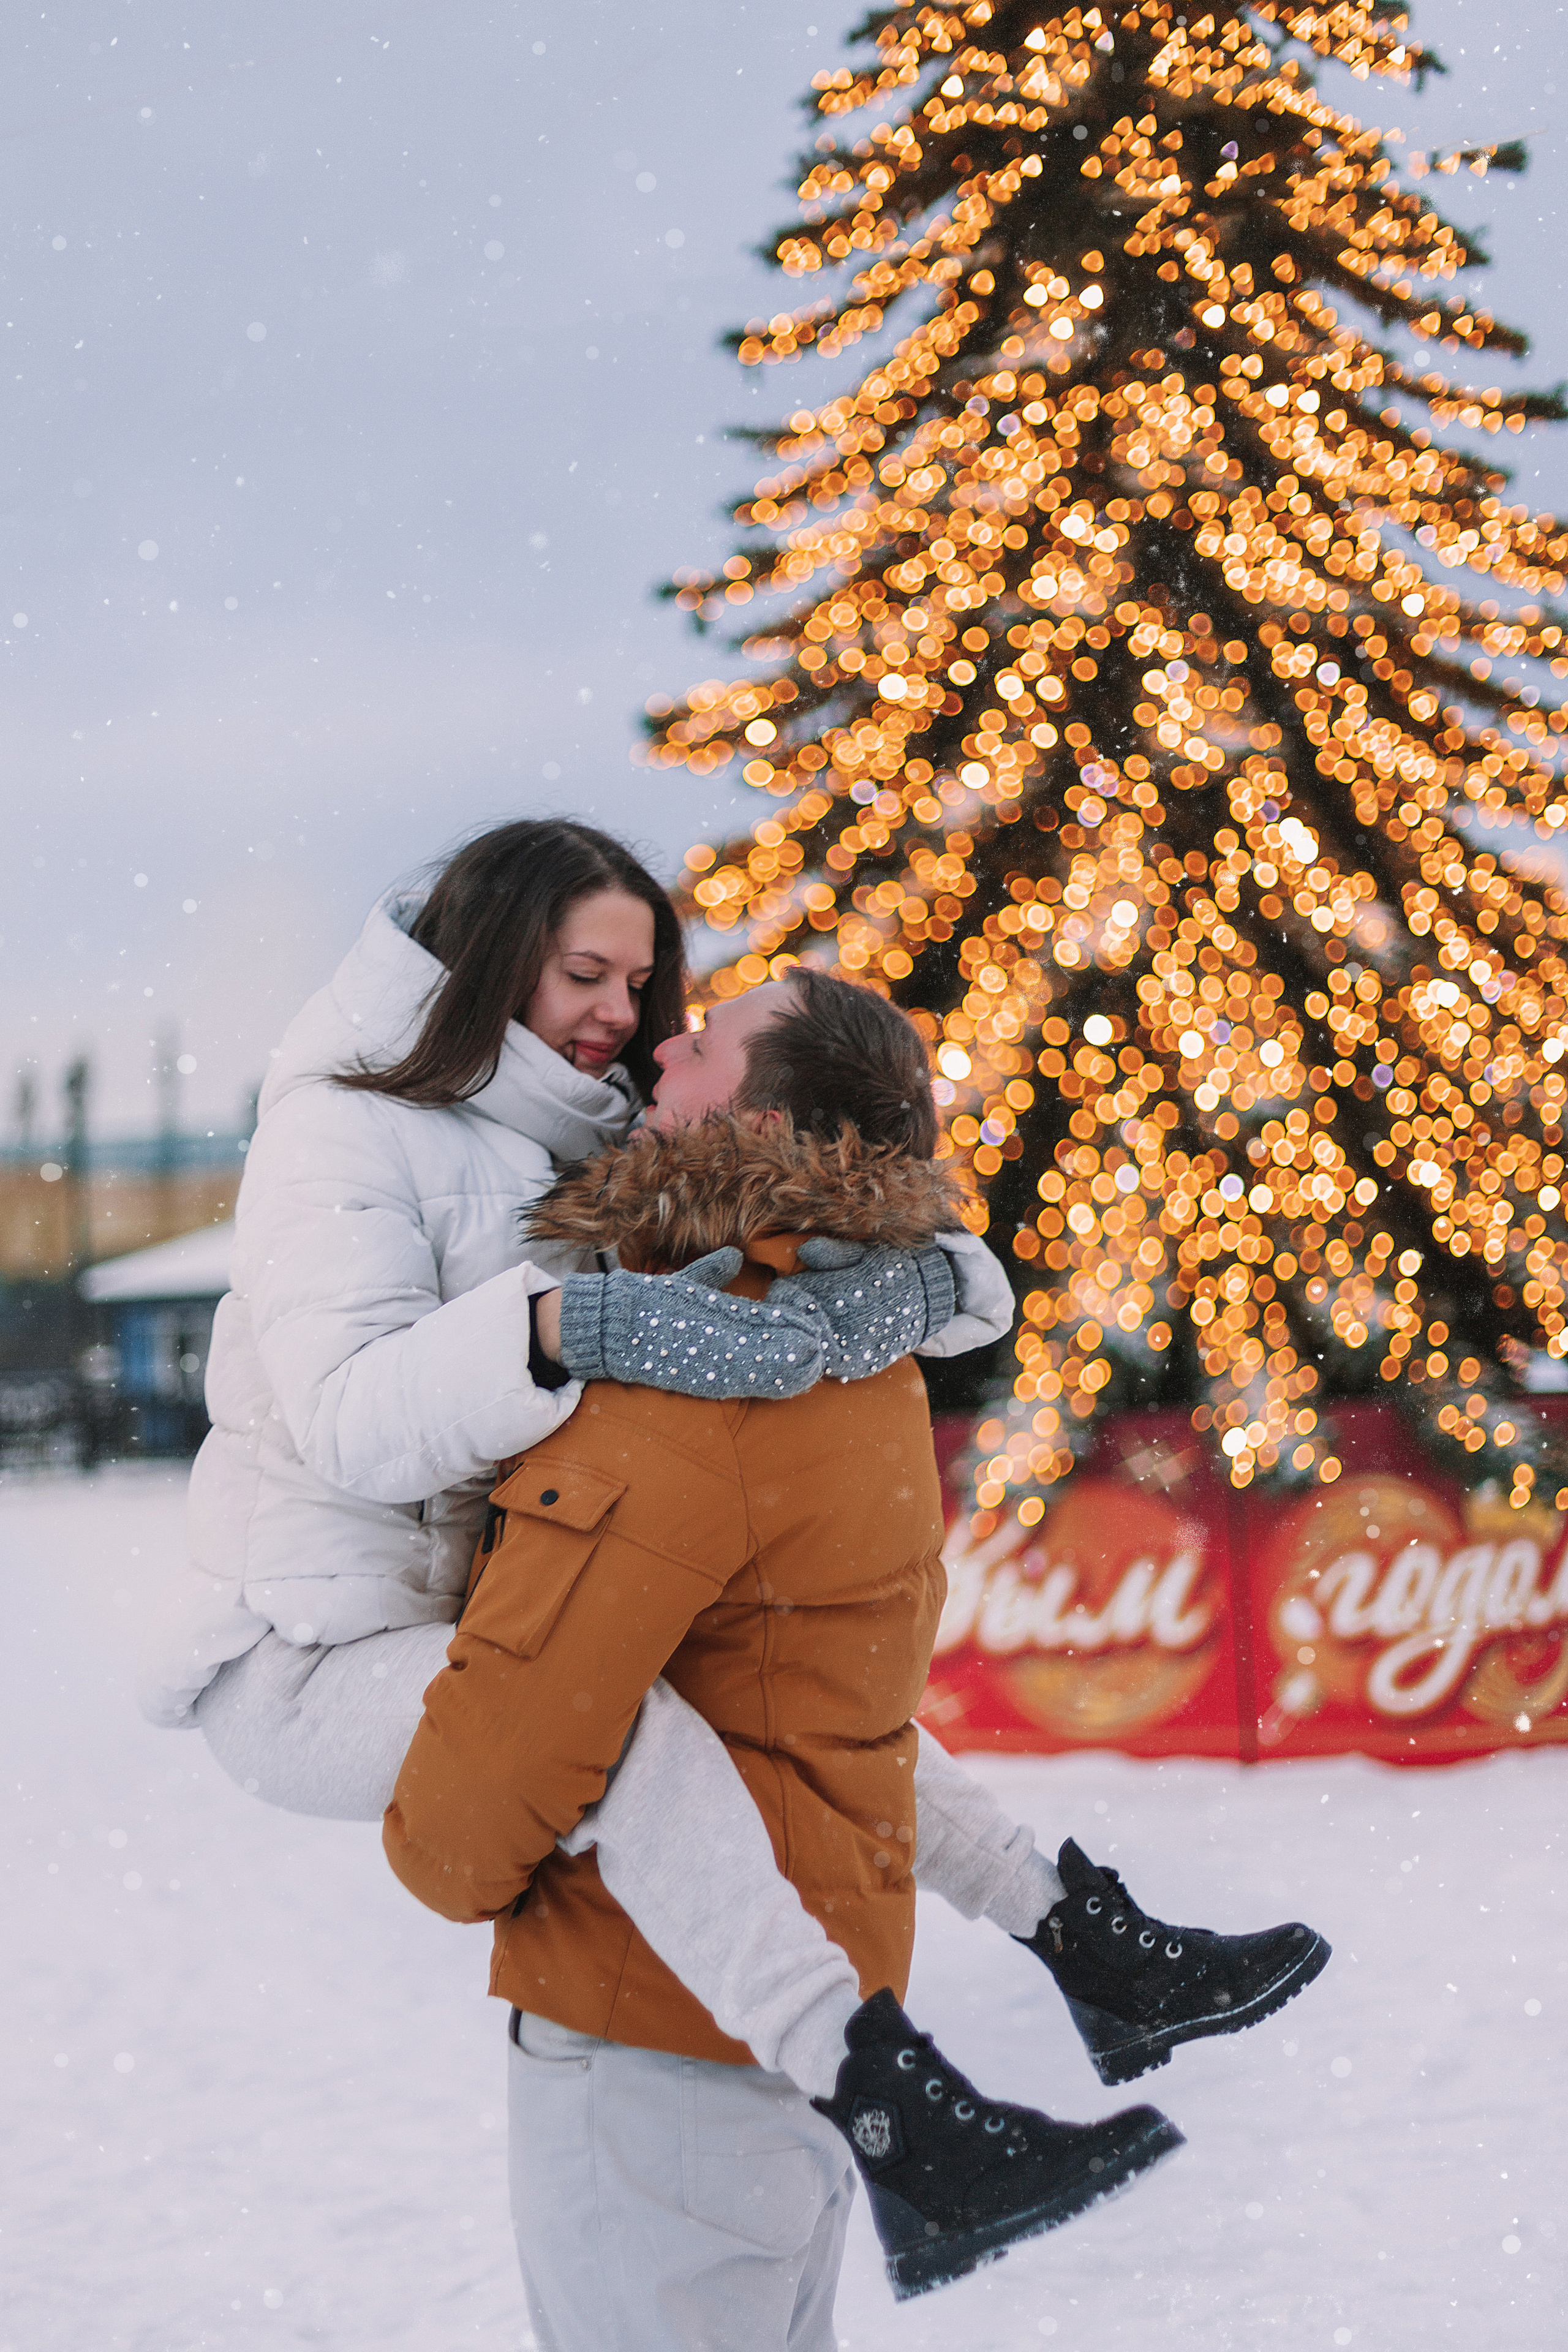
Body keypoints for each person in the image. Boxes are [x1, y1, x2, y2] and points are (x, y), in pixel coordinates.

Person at [137, 818, 1325, 2198]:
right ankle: (881, 2095)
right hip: (310, 1649)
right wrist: (565, 1327)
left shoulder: (582, 1123)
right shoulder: (343, 1128)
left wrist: (914, 1281)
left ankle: (1084, 1941)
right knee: (624, 1726)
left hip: (496, 1610)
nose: (621, 1017)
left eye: (642, 985)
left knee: (782, 1690)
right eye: (585, 975)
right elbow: (351, 1424)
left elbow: (816, 1184)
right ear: (496, 957)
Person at [384, 970, 1186, 2343]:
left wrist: (427, 1840)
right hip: (809, 2040)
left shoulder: (695, 1372)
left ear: (758, 1128)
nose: (658, 1053)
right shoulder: (866, 1348)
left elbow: (481, 1804)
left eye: (699, 1046)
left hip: (656, 2059)